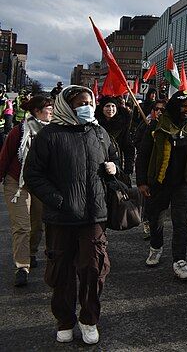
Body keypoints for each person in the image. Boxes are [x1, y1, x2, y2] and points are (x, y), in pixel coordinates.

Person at [24, 86, 117, 345]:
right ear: (67, 106)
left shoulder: (99, 132)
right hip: (61, 217)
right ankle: (64, 321)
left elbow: (114, 157)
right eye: (80, 103)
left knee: (93, 269)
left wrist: (114, 167)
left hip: (94, 216)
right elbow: (33, 175)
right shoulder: (50, 135)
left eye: (89, 102)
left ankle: (89, 320)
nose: (87, 107)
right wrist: (58, 200)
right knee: (61, 272)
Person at [136, 91, 187, 282]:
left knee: (180, 223)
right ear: (174, 107)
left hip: (183, 184)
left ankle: (180, 262)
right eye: (183, 106)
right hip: (159, 182)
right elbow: (143, 154)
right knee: (155, 219)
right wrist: (141, 181)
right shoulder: (157, 126)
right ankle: (156, 248)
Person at [0, 95, 51, 286]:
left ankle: (30, 253)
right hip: (17, 182)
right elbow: (4, 158)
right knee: (22, 226)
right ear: (37, 111)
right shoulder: (19, 131)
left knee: (38, 224)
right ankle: (22, 267)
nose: (52, 111)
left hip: (40, 184)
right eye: (48, 108)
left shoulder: (53, 132)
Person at [133, 97, 166, 240]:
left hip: (166, 174)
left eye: (162, 110)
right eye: (156, 109)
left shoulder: (170, 127)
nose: (159, 112)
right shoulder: (147, 125)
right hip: (150, 172)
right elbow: (139, 147)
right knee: (151, 205)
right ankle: (149, 226)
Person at [95, 96, 135, 185]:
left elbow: (128, 148)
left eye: (113, 106)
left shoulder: (122, 126)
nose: (110, 109)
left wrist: (128, 169)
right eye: (107, 106)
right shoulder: (94, 125)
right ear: (102, 108)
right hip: (97, 162)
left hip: (115, 164)